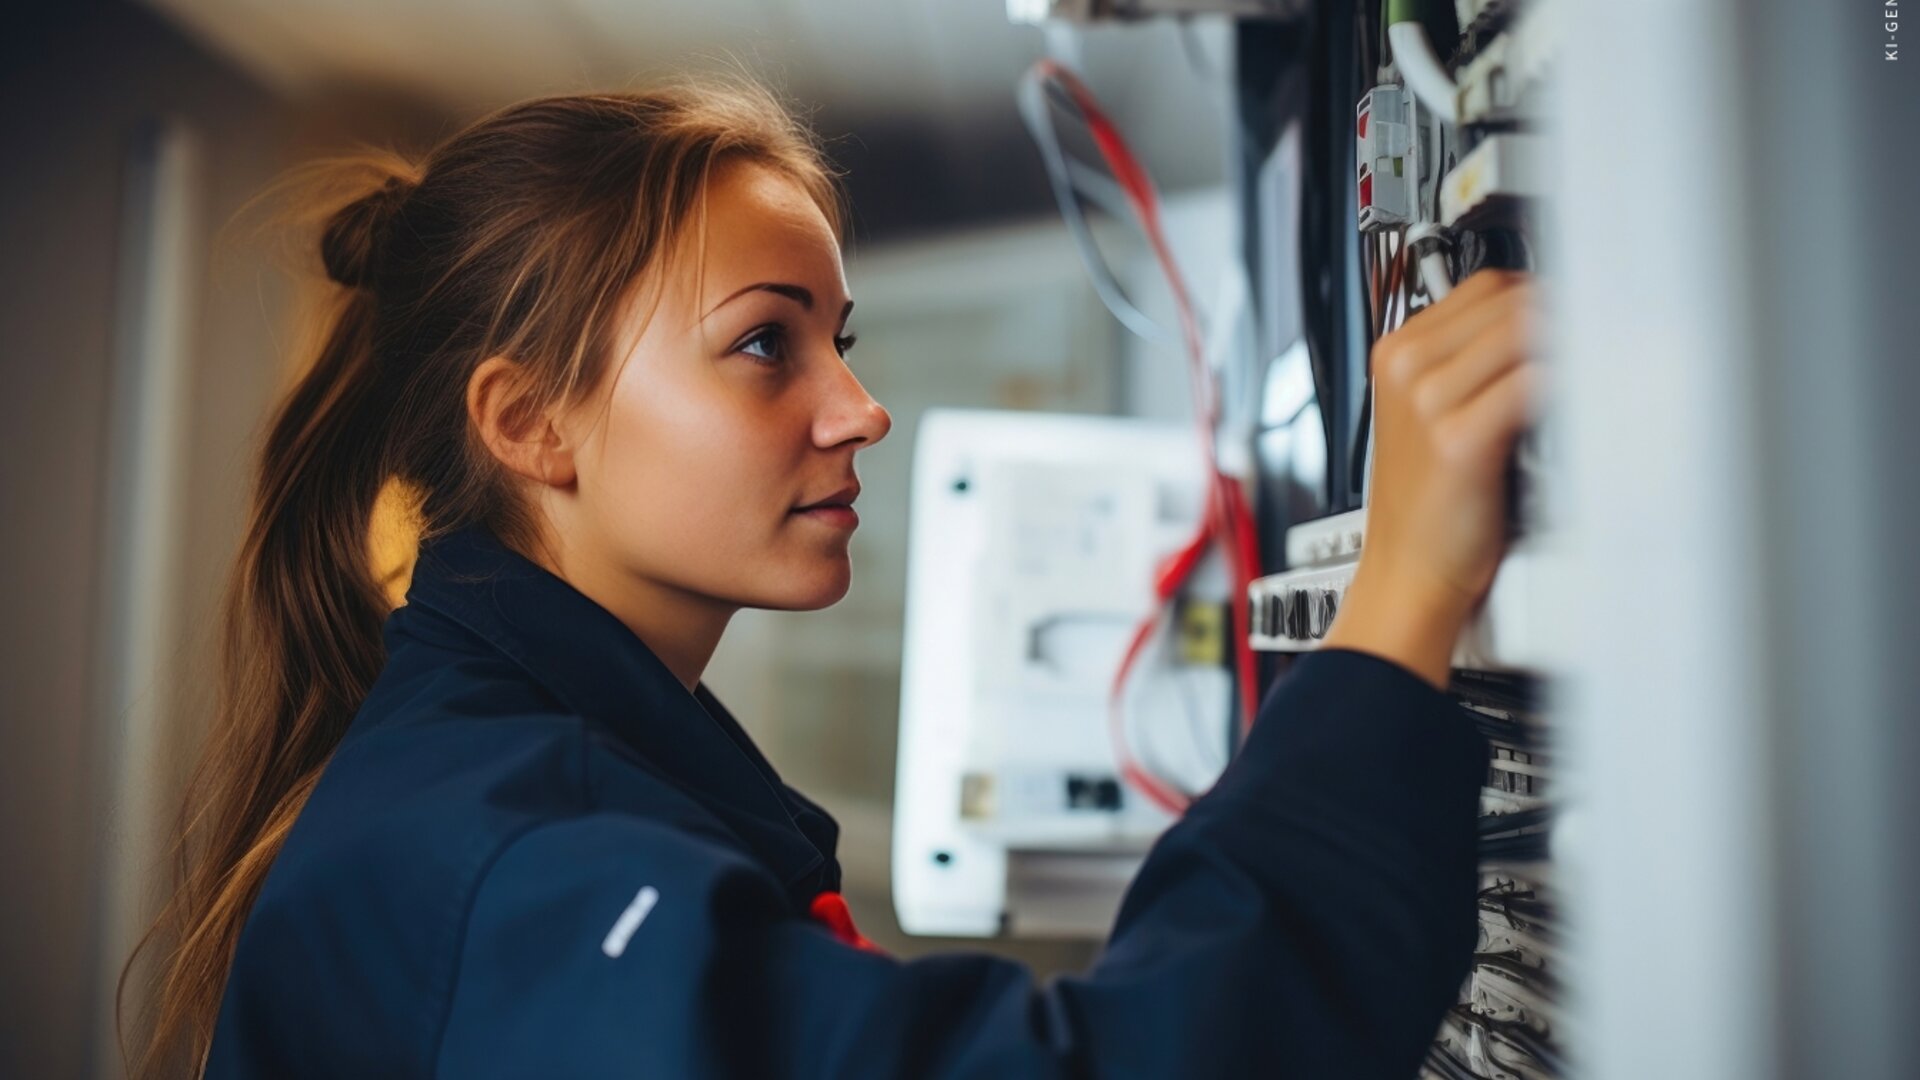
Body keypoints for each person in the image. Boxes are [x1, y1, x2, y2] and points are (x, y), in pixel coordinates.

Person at [125, 80, 1537, 1079]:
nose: (862, 410)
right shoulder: (515, 868)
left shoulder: (528, 775)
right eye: (765, 344)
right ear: (530, 422)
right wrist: (1402, 590)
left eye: (838, 342)